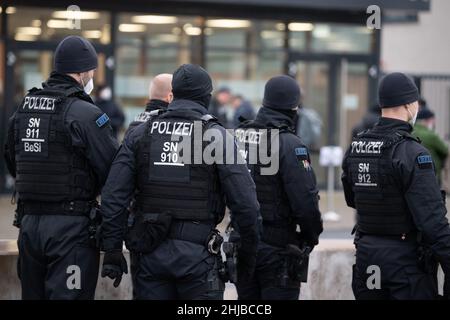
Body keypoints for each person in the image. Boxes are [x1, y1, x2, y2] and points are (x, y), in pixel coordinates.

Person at [99, 64, 260, 299]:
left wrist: (112, 248)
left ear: (173, 94)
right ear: (206, 97)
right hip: (198, 259)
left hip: (149, 255)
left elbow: (114, 195)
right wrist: (247, 258)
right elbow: (246, 204)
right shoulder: (216, 137)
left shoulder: (140, 134)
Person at [3, 35, 118, 299]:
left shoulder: (23, 108)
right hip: (70, 230)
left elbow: (13, 161)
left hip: (29, 226)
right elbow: (112, 169)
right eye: (91, 70)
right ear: (83, 71)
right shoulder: (86, 114)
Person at [342, 72, 450, 300]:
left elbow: (352, 199)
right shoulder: (412, 153)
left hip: (367, 257)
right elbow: (432, 221)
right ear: (410, 105)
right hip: (404, 262)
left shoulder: (356, 147)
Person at [235, 75, 323, 300]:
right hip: (277, 249)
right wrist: (310, 237)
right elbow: (305, 202)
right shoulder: (290, 144)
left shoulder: (239, 136)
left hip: (242, 243)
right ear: (294, 107)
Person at [413, 108, 448, 183]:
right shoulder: (431, 136)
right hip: (431, 172)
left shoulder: (410, 131)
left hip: (413, 172)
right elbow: (445, 149)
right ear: (428, 120)